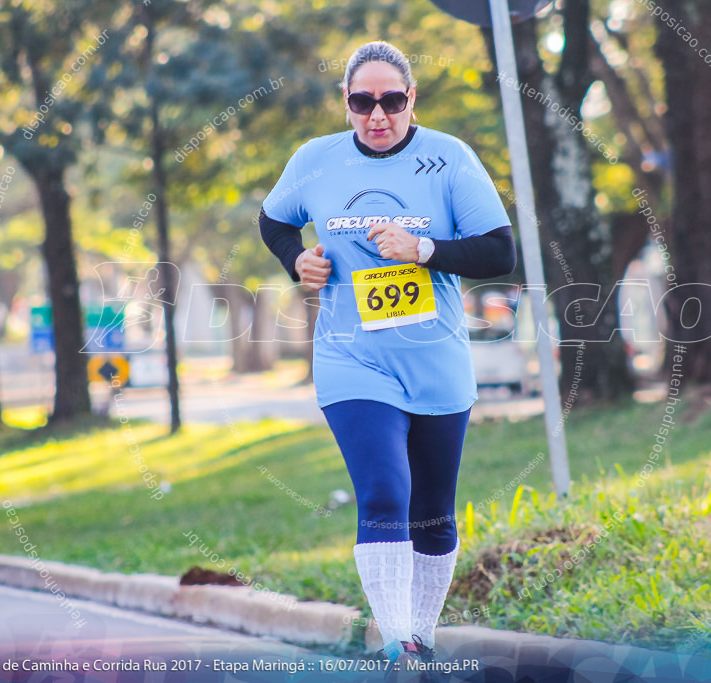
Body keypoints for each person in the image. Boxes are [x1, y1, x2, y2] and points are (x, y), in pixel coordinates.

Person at [259, 40, 516, 673]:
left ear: (411, 101)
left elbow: (498, 253)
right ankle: (397, 643)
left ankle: (420, 639)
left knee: (432, 512)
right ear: (345, 103)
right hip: (353, 361)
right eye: (362, 102)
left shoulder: (449, 159)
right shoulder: (315, 161)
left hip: (436, 363)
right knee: (383, 493)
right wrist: (297, 260)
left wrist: (424, 249)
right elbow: (274, 220)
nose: (378, 115)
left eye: (392, 101)